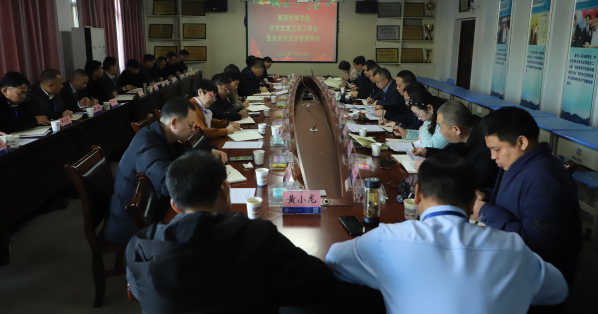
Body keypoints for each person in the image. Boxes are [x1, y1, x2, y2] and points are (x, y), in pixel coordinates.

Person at [325, 154, 568, 314]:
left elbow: (334, 258)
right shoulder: (514, 247)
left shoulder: (387, 239)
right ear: (473, 201)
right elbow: (558, 290)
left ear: (417, 194)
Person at [127, 150, 336, 313]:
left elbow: (139, 291)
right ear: (225, 189)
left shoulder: (141, 247)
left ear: (174, 205)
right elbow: (321, 281)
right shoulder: (259, 236)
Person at [472, 107, 582, 286]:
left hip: (538, 281)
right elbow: (514, 200)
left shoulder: (546, 181)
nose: (492, 156)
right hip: (510, 258)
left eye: (497, 149)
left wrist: (485, 211)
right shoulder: (517, 163)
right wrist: (486, 195)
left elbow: (535, 246)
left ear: (522, 142)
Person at [103, 97, 227, 245]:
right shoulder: (147, 145)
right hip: (131, 223)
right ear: (174, 122)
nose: (193, 129)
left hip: (152, 207)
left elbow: (182, 152)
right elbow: (167, 184)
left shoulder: (160, 133)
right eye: (190, 125)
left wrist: (209, 152)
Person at [412, 101, 498, 189]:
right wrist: (428, 152)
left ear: (456, 129)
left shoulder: (487, 144)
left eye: (440, 127)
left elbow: (478, 180)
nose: (440, 132)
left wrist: (435, 170)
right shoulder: (468, 128)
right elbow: (452, 153)